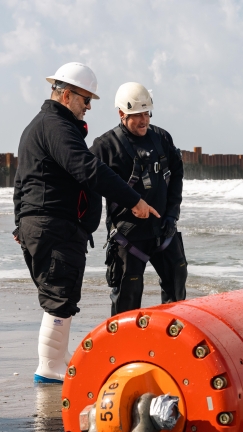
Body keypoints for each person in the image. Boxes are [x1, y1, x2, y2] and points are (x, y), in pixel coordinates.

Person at [13, 62, 160, 384]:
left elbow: (20, 180)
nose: (89, 106)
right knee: (60, 294)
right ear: (66, 96)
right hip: (53, 224)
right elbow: (87, 169)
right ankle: (51, 367)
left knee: (60, 292)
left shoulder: (43, 125)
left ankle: (56, 357)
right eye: (85, 99)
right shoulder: (56, 126)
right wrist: (134, 200)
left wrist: (19, 224)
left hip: (45, 224)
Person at [90, 82, 187, 316]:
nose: (144, 120)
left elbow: (176, 175)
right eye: (137, 115)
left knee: (177, 288)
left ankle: (171, 345)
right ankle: (123, 348)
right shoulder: (104, 147)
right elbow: (88, 185)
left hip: (163, 230)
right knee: (127, 299)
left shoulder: (162, 138)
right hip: (128, 237)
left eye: (147, 113)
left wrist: (172, 215)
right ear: (122, 113)